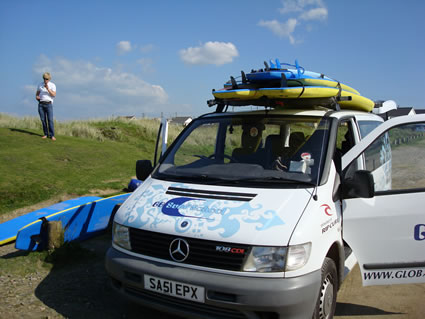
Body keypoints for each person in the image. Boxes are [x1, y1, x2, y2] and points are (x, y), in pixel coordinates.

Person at [36, 72, 57, 140]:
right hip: (41, 104)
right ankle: (45, 134)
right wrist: (37, 97)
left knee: (50, 120)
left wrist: (48, 89)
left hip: (48, 104)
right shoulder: (40, 85)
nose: (45, 80)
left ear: (49, 79)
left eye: (47, 79)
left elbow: (53, 95)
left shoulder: (52, 85)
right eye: (44, 79)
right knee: (43, 120)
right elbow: (37, 93)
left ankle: (52, 135)